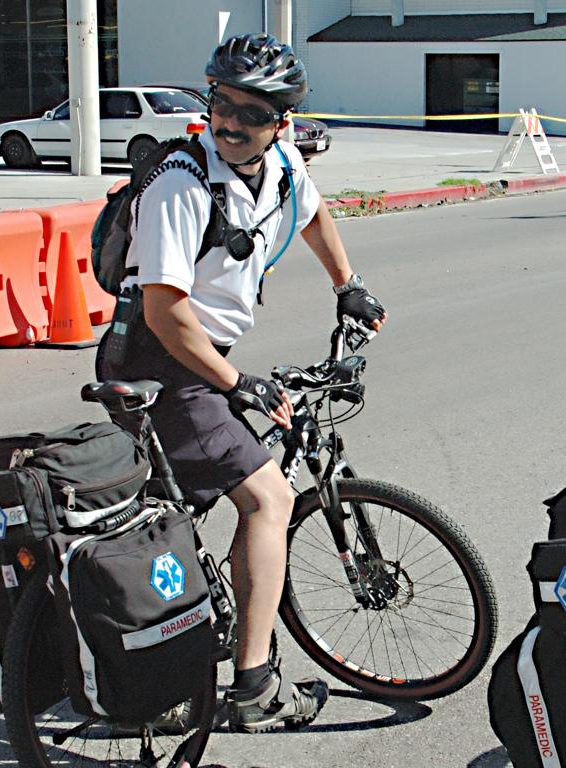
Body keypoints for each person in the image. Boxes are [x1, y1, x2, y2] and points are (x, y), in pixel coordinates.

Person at [96, 33, 387, 733]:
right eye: (218, 103)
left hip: (201, 359)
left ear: (281, 124)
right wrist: (238, 383)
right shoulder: (180, 185)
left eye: (250, 114)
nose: (227, 123)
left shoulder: (281, 163)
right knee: (269, 496)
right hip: (158, 366)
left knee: (226, 493)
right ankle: (254, 686)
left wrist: (348, 284)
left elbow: (312, 211)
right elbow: (166, 314)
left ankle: (213, 621)